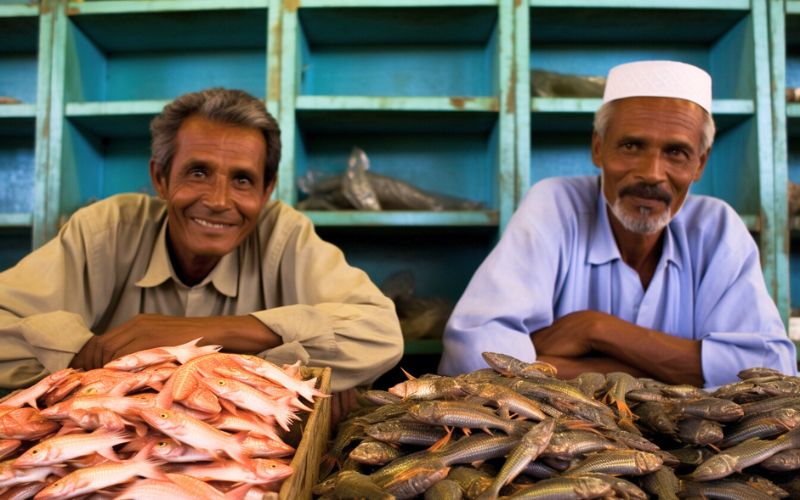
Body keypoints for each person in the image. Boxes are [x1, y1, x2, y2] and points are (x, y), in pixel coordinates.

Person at [0, 88, 403, 396]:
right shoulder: (107, 229)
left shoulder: (284, 233)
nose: (218, 201)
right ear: (160, 178)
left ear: (266, 191)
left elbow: (380, 332)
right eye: (198, 172)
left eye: (243, 180)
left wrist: (208, 332)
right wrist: (91, 355)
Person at [439, 60, 797, 388]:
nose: (651, 174)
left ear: (700, 164)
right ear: (598, 148)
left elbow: (770, 369)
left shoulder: (716, 228)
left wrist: (597, 329)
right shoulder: (554, 206)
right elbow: (475, 355)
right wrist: (666, 372)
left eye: (676, 153)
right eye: (631, 146)